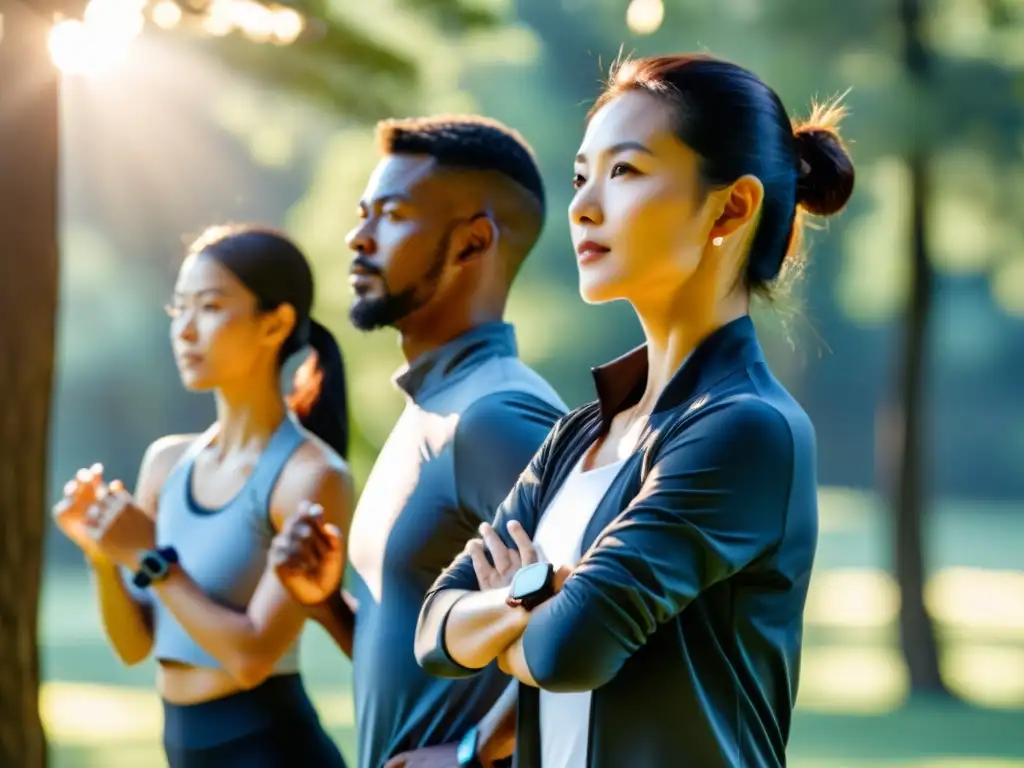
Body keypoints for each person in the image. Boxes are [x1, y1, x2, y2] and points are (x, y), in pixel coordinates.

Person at [414, 54, 856, 768]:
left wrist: (505, 614)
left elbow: (569, 650)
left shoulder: (748, 430)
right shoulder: (579, 432)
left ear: (731, 207)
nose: (585, 206)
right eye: (581, 176)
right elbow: (433, 630)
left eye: (624, 171)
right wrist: (539, 599)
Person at [269, 115, 568, 768]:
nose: (358, 237)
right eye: (362, 213)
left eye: (392, 215)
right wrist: (328, 608)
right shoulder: (430, 411)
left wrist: (472, 752)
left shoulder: (496, 416)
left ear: (473, 243)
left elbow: (608, 627)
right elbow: (443, 648)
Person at [52, 225, 351, 768]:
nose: (185, 331)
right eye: (179, 309)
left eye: (210, 307)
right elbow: (135, 646)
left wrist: (151, 558)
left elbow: (252, 656)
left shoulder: (311, 475)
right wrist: (102, 554)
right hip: (183, 747)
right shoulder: (166, 462)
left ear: (276, 323)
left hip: (271, 749)